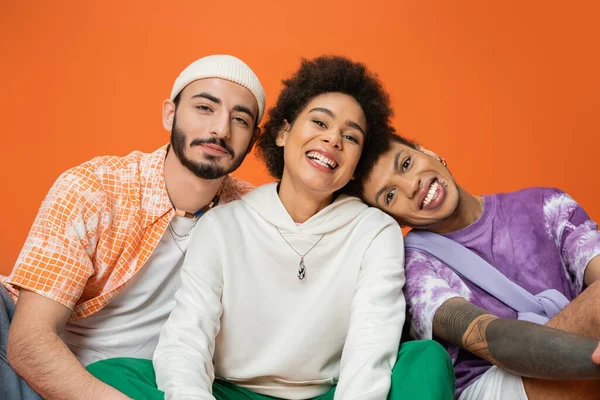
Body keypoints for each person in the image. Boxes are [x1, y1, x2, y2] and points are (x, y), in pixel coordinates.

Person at [87, 55, 456, 400]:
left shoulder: (375, 230)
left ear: (357, 163)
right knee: (111, 375)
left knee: (424, 359)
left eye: (351, 136)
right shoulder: (221, 224)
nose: (333, 140)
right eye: (320, 122)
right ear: (282, 133)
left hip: (328, 394)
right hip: (229, 392)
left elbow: (372, 343)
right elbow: (187, 338)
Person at [0, 54, 266, 400]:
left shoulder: (255, 215)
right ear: (170, 114)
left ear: (254, 139)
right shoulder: (94, 189)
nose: (220, 129)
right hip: (45, 371)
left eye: (240, 119)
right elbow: (29, 343)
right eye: (204, 108)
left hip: (144, 380)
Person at [358, 133, 600, 400]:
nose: (411, 185)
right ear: (393, 219)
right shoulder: (413, 269)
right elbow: (492, 339)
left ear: (426, 151)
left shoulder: (545, 204)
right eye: (391, 195)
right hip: (492, 382)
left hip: (582, 346)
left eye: (406, 164)